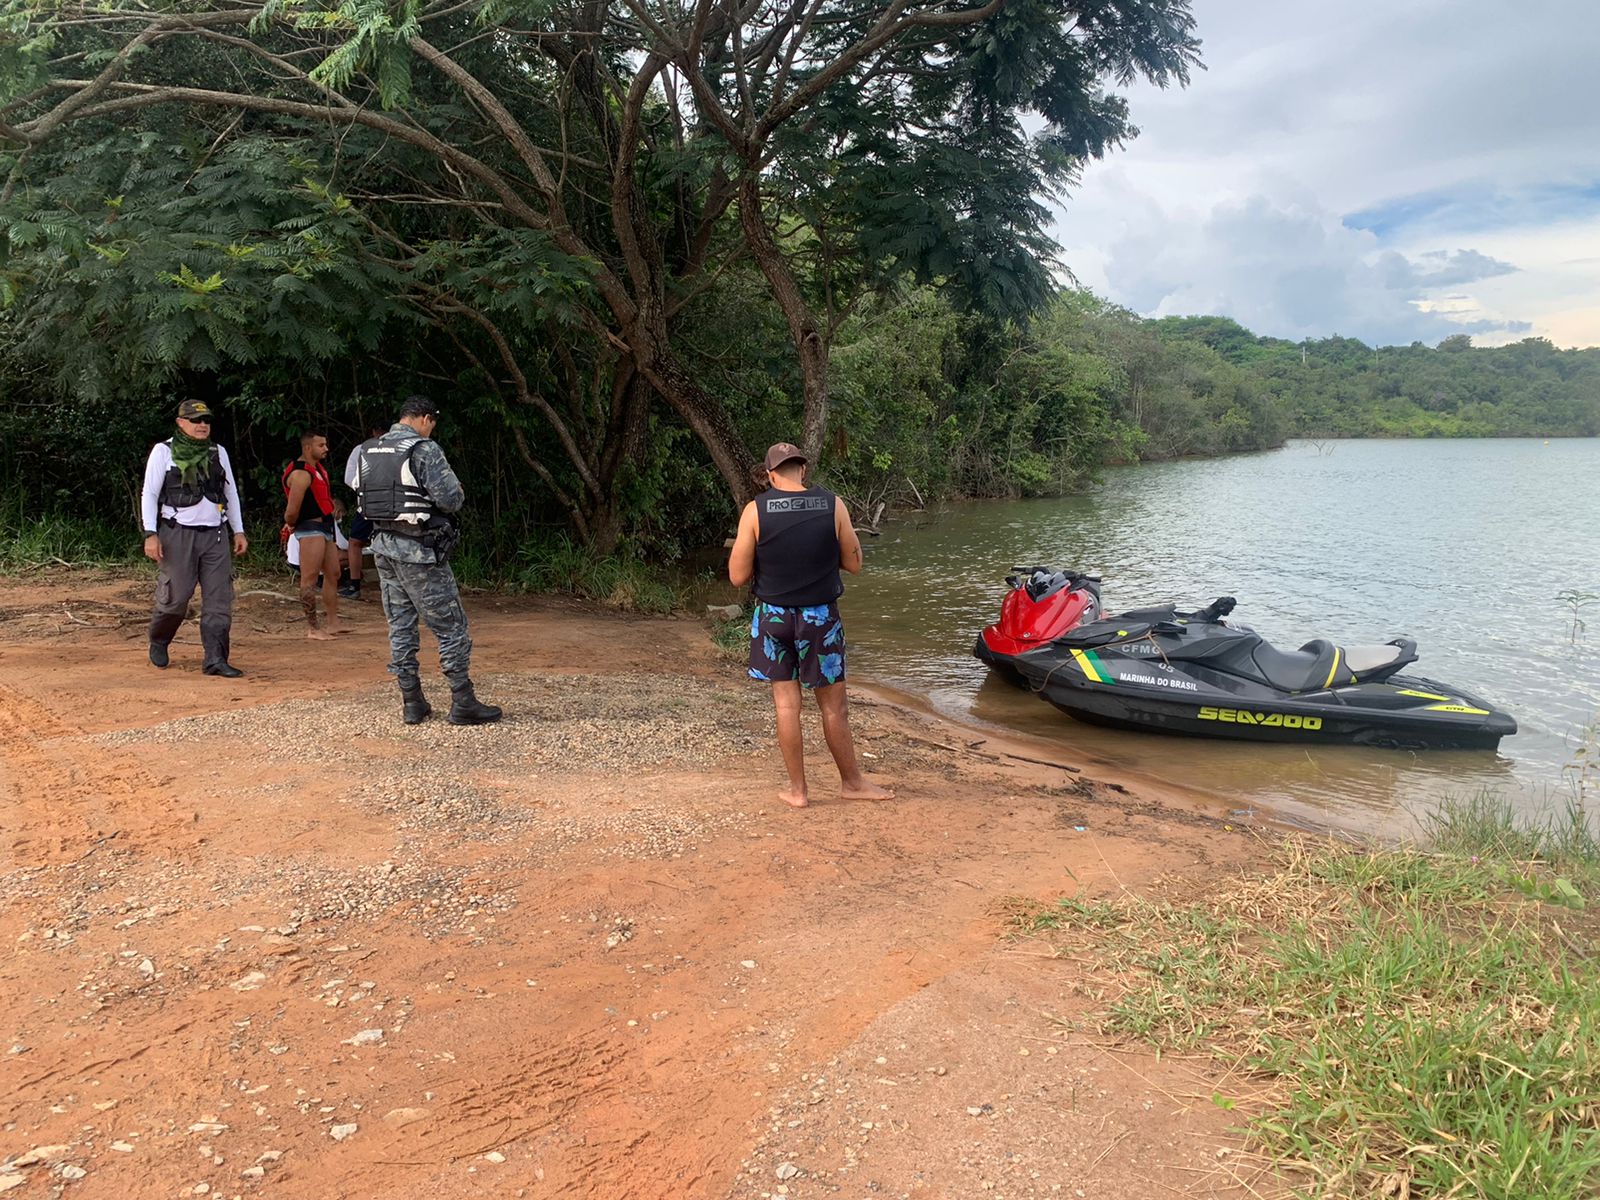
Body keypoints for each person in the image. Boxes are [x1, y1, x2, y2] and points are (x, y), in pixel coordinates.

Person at [727, 442, 894, 808]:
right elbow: (854, 564)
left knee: (787, 705)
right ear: (802, 470)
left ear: (770, 475)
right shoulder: (832, 504)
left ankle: (798, 791)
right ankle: (851, 783)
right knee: (834, 708)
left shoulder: (755, 511)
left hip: (774, 617)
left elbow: (737, 576)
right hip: (820, 617)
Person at [356, 395, 501, 726]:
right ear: (424, 418)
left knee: (400, 626)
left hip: (383, 548)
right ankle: (463, 701)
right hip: (419, 551)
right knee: (451, 626)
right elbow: (450, 499)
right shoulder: (422, 449)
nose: (431, 431)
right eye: (432, 424)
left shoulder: (370, 449)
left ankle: (412, 702)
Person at [139, 398, 248, 676]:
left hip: (215, 536)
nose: (202, 425)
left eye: (206, 421)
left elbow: (230, 492)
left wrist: (238, 530)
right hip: (177, 534)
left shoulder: (218, 452)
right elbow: (150, 494)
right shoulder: (163, 451)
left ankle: (215, 659)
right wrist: (151, 534)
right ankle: (160, 639)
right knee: (176, 596)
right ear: (180, 422)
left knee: (219, 598)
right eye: (196, 420)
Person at [280, 431, 344, 640]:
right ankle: (313, 628)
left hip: (324, 527)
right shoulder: (300, 474)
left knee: (333, 573)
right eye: (321, 445)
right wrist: (290, 525)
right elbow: (292, 509)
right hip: (310, 528)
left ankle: (333, 622)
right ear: (308, 448)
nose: (326, 449)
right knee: (309, 578)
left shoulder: (316, 469)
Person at [339, 425, 386, 599]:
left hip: (369, 502)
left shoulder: (362, 449)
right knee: (391, 540)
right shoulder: (401, 449)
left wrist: (366, 490)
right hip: (395, 504)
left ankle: (354, 586)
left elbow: (349, 477)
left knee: (356, 542)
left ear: (374, 431)